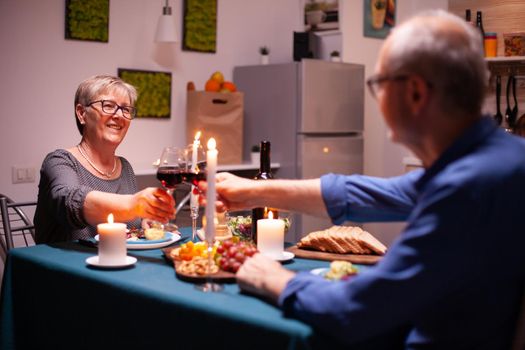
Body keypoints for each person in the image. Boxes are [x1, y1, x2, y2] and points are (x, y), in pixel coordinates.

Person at [199, 10, 525, 349]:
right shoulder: (496, 159)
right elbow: (363, 195)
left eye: (379, 84)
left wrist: (271, 277)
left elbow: (355, 309)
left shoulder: (468, 187)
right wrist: (253, 191)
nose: (377, 97)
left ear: (414, 92)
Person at [34, 75, 175, 243]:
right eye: (108, 106)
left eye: (126, 109)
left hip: (119, 265)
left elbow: (127, 230)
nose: (119, 115)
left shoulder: (125, 167)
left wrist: (145, 221)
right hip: (63, 267)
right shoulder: (59, 161)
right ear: (81, 113)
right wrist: (134, 204)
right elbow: (70, 203)